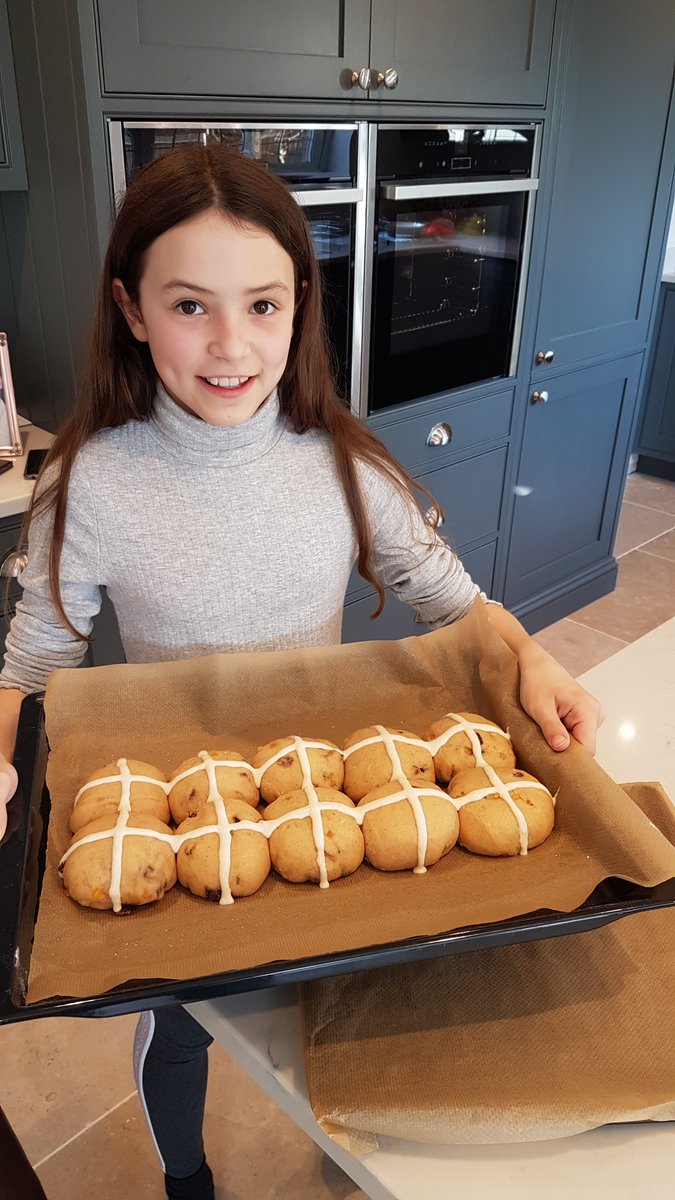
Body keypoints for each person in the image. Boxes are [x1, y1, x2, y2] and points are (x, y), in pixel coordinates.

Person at [0, 144, 603, 1199]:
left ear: (299, 308)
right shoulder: (88, 484)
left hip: (326, 799)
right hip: (181, 813)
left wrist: (534, 657)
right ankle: (186, 1177)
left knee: (342, 998)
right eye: (190, 305)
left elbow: (455, 601)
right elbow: (34, 662)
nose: (231, 345)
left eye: (263, 305)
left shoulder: (343, 463)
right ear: (131, 309)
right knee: (182, 1029)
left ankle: (348, 1150)